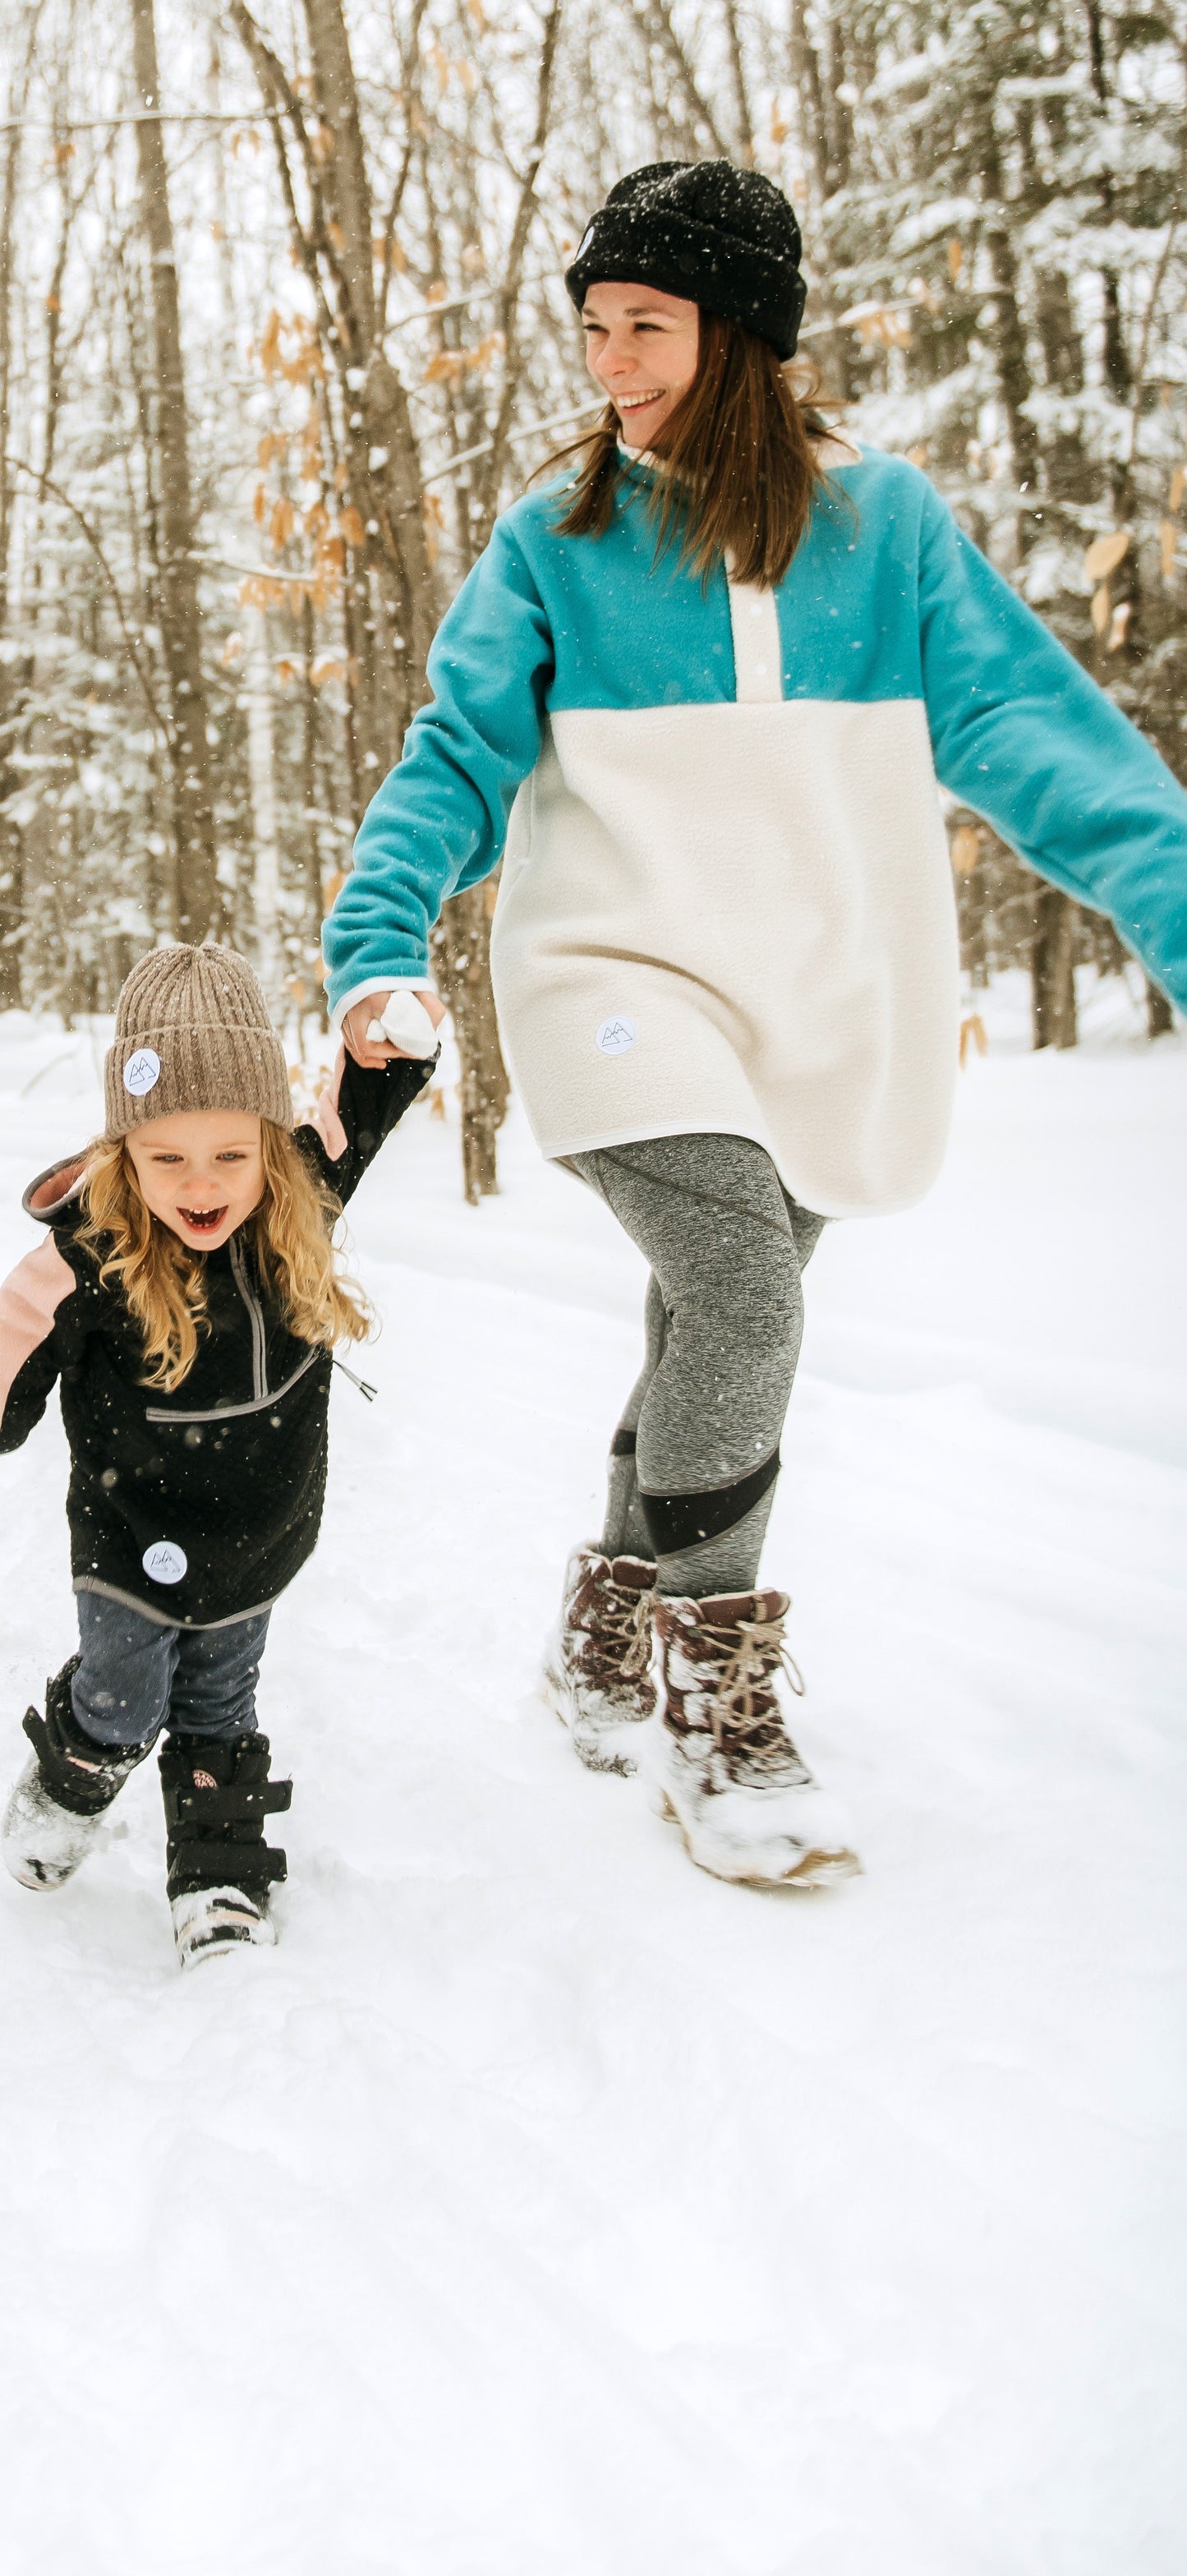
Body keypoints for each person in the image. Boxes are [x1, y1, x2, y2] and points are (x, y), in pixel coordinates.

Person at [322, 158, 1187, 1891]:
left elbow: (1028, 732)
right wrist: (372, 941)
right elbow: (457, 757)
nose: (609, 361)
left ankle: (605, 1606)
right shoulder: (554, 542)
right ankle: (710, 1686)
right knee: (736, 1281)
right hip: (607, 976)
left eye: (643, 325)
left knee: (721, 1300)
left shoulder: (882, 527)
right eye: (591, 328)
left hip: (817, 988)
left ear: (742, 333)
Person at [0, 943, 431, 1964]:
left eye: (231, 1155)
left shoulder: (303, 1194)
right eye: (167, 1158)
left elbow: (366, 1093)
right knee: (123, 1701)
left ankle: (220, 1878)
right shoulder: (85, 1257)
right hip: (130, 1537)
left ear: (269, 1147)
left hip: (257, 1538)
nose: (201, 1184)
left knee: (217, 1706)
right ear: (124, 1153)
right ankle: (69, 1778)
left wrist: (384, 1035)